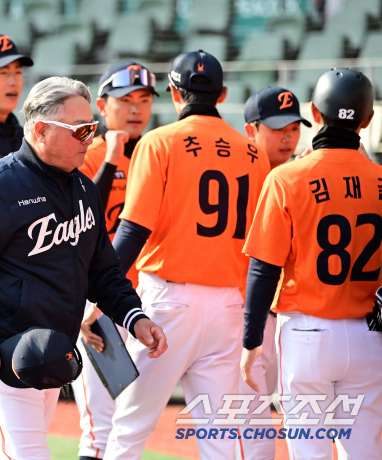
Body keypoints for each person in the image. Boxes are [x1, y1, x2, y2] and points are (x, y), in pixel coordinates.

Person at [0, 76, 167, 460]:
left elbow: (102, 273)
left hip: (51, 361)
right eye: (81, 130)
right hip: (1, 361)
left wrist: (135, 318)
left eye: (93, 128)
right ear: (40, 129)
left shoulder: (84, 188)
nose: (90, 138)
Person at [104, 50, 270, 459]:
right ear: (222, 93)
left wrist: (96, 293)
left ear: (174, 94)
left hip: (167, 303)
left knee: (129, 426)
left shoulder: (159, 141)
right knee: (218, 437)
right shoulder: (254, 153)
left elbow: (133, 230)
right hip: (230, 305)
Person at [241, 68, 382, 459]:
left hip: (308, 337)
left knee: (310, 453)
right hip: (370, 337)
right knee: (364, 451)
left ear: (314, 113)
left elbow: (263, 268)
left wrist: (250, 340)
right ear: (368, 119)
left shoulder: (287, 178)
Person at [71, 61, 158, 460]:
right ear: (102, 106)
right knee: (100, 426)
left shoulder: (161, 152)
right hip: (101, 301)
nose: (137, 108)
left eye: (144, 100)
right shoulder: (87, 153)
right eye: (125, 100)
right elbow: (76, 216)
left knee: (134, 425)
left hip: (153, 301)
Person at [235, 86, 311, 460]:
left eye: (294, 128)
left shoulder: (304, 177)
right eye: (277, 128)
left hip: (294, 314)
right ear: (251, 130)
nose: (288, 137)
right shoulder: (238, 175)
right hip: (246, 311)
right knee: (251, 419)